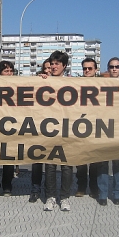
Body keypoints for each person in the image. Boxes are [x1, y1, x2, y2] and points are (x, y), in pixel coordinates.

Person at [43, 51, 73, 212]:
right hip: (48, 129)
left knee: (67, 166)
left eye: (57, 64)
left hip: (67, 129)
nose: (54, 66)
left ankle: (65, 197)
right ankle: (50, 197)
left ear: (64, 66)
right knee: (50, 166)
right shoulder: (44, 81)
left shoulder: (71, 83)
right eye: (52, 63)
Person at [97, 57, 119, 206]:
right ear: (108, 69)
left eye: (117, 66)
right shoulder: (101, 84)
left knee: (118, 164)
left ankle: (117, 194)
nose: (114, 69)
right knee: (102, 163)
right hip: (103, 127)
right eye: (112, 67)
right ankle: (102, 193)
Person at [75, 58, 99, 198]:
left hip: (97, 127)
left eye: (90, 68)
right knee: (81, 161)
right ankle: (81, 187)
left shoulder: (104, 84)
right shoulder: (77, 84)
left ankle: (94, 188)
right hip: (80, 126)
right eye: (85, 68)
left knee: (95, 160)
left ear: (96, 69)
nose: (87, 71)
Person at [29, 58, 51, 203]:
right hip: (38, 127)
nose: (48, 70)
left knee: (51, 164)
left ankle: (50, 191)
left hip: (54, 129)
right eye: (46, 68)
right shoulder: (37, 82)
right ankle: (35, 190)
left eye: (51, 68)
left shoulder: (63, 82)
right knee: (36, 163)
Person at [0, 61, 15, 197]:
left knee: (9, 158)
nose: (9, 73)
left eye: (11, 70)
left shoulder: (17, 85)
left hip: (11, 126)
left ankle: (7, 186)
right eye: (6, 71)